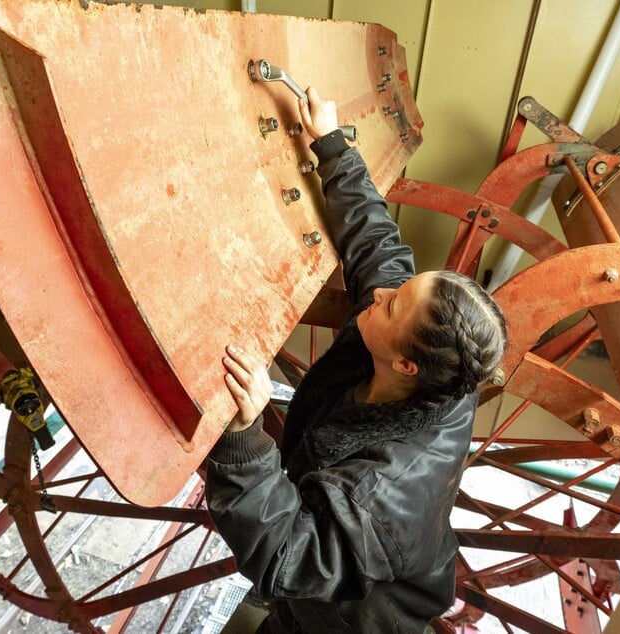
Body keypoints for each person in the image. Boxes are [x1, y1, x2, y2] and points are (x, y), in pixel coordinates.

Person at [205, 86, 508, 633]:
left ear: (408, 364)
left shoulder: (385, 493)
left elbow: (288, 556)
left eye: (393, 305)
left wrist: (246, 436)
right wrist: (331, 144)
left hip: (350, 621)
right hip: (357, 571)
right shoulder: (440, 363)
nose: (378, 295)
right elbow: (379, 248)